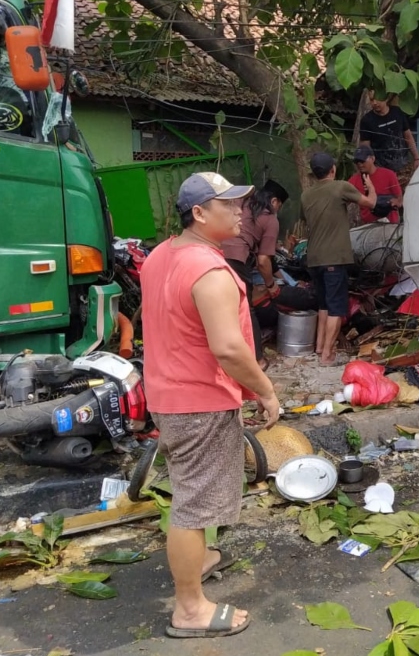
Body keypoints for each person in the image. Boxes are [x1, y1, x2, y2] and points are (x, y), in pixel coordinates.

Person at [140, 172, 280, 639]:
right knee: (193, 505)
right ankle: (190, 609)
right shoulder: (210, 271)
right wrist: (264, 389)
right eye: (229, 205)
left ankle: (201, 559)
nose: (240, 211)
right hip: (198, 400)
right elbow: (229, 349)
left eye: (240, 203)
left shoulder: (161, 255)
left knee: (191, 493)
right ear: (199, 213)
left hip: (167, 393)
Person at [300, 152, 377, 366]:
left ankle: (319, 347)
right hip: (334, 258)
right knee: (336, 307)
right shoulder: (340, 186)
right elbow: (370, 203)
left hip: (314, 258)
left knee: (324, 305)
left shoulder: (306, 195)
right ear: (332, 170)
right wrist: (370, 186)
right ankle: (327, 355)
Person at [222, 179, 288, 369]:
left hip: (213, 253)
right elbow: (263, 261)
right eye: (280, 206)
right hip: (236, 257)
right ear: (275, 201)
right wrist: (271, 286)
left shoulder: (241, 202)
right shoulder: (270, 218)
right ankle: (257, 359)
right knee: (245, 307)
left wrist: (281, 278)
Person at [359, 91, 419, 183]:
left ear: (386, 98)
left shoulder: (397, 112)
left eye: (378, 99)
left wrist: (416, 158)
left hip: (403, 168)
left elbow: (408, 136)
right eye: (372, 100)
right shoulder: (367, 120)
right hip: (381, 170)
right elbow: (365, 148)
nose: (375, 103)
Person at [348, 145, 402, 224]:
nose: (359, 164)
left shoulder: (389, 175)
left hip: (390, 223)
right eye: (357, 162)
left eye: (362, 161)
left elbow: (399, 200)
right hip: (368, 225)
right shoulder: (354, 180)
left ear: (372, 159)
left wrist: (387, 204)